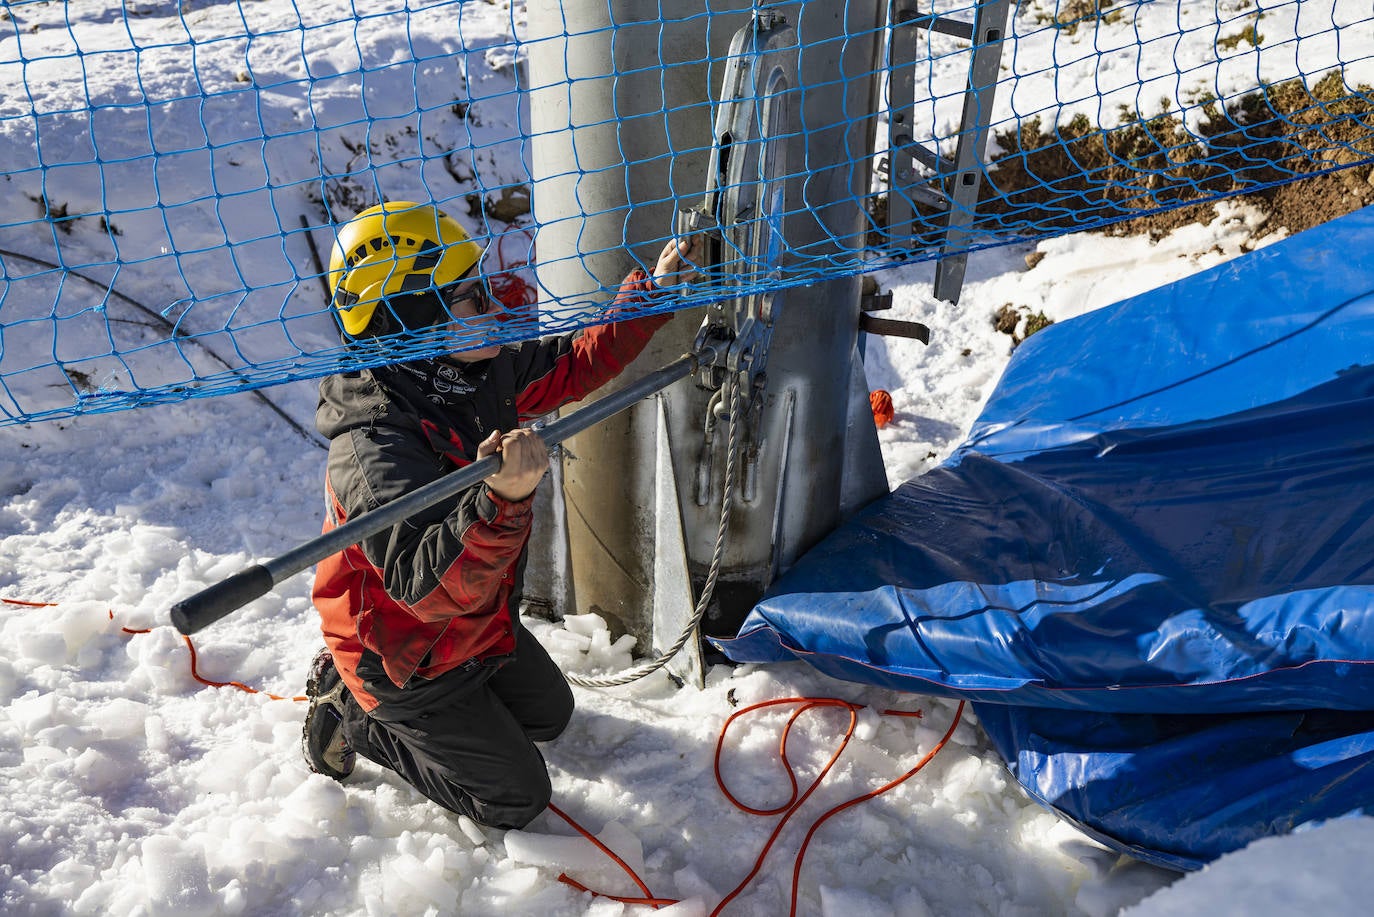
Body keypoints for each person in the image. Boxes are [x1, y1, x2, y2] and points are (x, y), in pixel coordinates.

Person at [303, 201, 696, 829]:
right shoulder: (372, 448)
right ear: (415, 321)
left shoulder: (469, 374)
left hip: (475, 626)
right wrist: (502, 500)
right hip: (404, 655)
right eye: (469, 298)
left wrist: (649, 297)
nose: (493, 306)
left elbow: (573, 363)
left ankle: (461, 710)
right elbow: (424, 590)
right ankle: (353, 712)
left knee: (549, 718)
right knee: (516, 798)